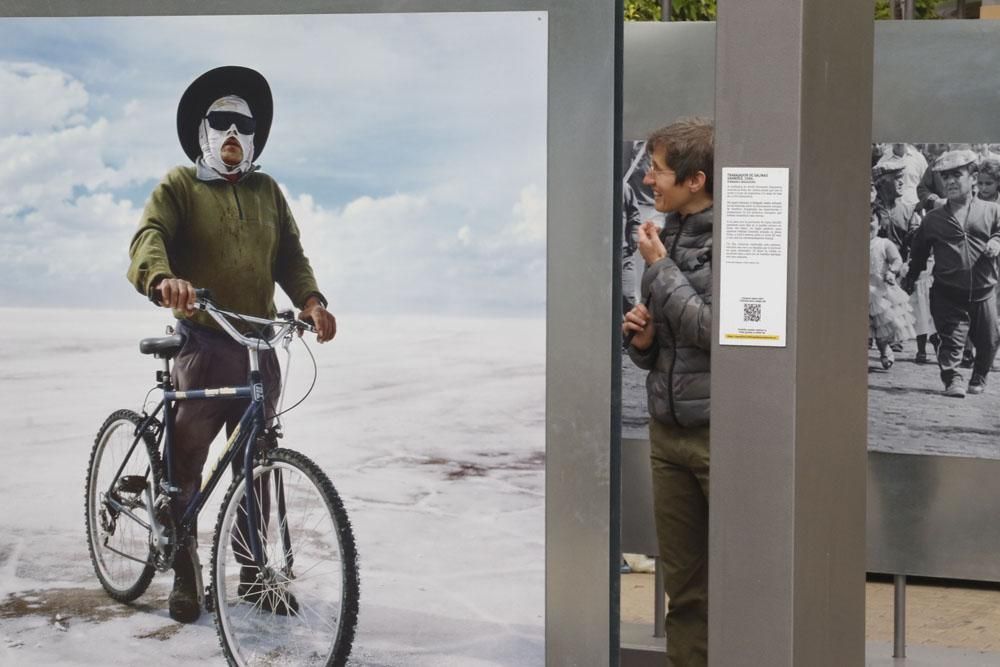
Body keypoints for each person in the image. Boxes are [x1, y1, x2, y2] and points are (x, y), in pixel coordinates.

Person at [126, 66, 336, 623]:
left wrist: (311, 300)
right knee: (187, 462)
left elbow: (290, 254)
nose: (233, 134)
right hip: (202, 342)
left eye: (243, 125)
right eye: (221, 122)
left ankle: (251, 572)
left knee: (256, 462)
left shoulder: (268, 191)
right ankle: (187, 569)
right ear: (203, 131)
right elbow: (149, 237)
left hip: (258, 346)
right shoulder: (180, 186)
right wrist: (162, 278)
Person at [622, 117, 713, 667]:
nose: (650, 181)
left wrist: (659, 268)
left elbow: (712, 330)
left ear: (695, 179)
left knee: (741, 583)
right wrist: (643, 339)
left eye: (657, 170)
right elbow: (661, 347)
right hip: (667, 435)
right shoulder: (666, 232)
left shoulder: (735, 237)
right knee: (683, 595)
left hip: (718, 436)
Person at [903, 149, 1000, 397]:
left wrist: (996, 242)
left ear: (974, 177)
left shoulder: (992, 211)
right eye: (945, 178)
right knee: (950, 340)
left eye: (957, 175)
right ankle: (952, 378)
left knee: (989, 341)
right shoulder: (933, 219)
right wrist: (911, 277)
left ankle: (979, 375)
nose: (950, 182)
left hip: (984, 291)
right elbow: (920, 252)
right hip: (947, 291)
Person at [869, 210, 916, 369]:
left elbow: (896, 259)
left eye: (871, 220)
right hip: (857, 290)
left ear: (879, 223)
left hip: (879, 290)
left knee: (881, 328)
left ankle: (884, 350)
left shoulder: (883, 243)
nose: (867, 224)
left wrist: (892, 271)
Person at [875, 143, 927, 208]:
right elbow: (879, 190)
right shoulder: (882, 161)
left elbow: (926, 186)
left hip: (916, 208)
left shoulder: (919, 158)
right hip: (892, 210)